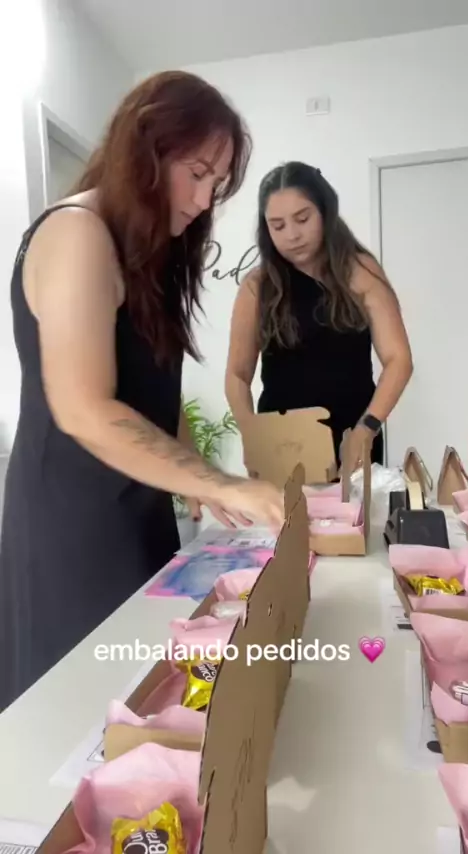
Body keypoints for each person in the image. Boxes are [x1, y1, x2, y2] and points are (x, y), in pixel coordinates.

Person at [0, 71, 285, 713]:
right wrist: (220, 483)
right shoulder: (76, 233)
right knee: (80, 713)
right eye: (198, 173)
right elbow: (84, 409)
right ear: (144, 150)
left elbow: (152, 390)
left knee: (145, 697)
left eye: (218, 184)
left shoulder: (142, 253)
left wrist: (197, 477)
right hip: (73, 527)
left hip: (137, 511)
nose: (204, 199)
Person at [225, 160, 413, 473]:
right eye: (278, 226)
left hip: (354, 437)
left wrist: (368, 427)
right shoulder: (257, 286)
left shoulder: (360, 271)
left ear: (325, 211)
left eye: (302, 219)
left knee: (355, 507)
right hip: (283, 445)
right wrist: (252, 434)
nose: (292, 235)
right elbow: (237, 374)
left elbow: (399, 359)